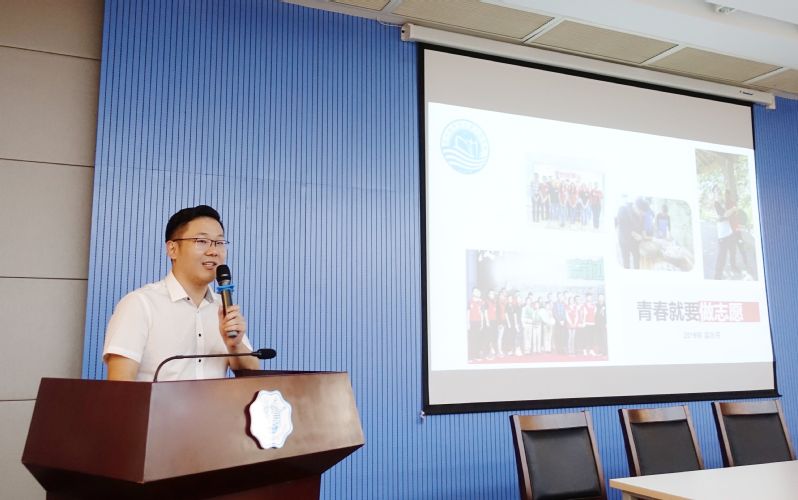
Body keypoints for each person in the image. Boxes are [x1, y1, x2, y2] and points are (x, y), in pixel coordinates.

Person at [103, 205, 259, 381]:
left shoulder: (222, 307)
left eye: (219, 243)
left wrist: (235, 345)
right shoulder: (140, 304)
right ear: (172, 249)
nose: (213, 251)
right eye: (201, 241)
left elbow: (254, 375)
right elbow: (120, 385)